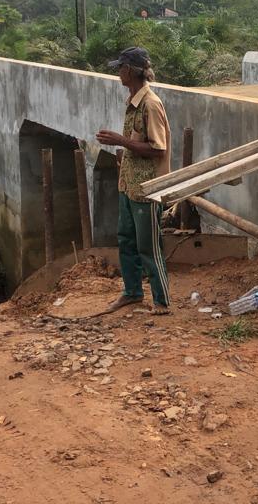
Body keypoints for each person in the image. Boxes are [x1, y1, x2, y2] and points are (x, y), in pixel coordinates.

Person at [96, 47, 173, 315]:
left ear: (129, 70)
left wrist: (120, 140)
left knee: (148, 247)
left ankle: (161, 301)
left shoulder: (150, 104)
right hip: (128, 185)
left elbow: (158, 149)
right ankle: (132, 293)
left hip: (147, 189)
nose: (118, 73)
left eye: (120, 68)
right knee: (126, 240)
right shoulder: (133, 102)